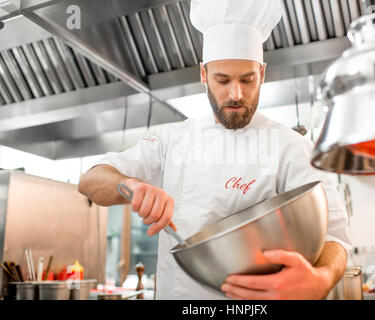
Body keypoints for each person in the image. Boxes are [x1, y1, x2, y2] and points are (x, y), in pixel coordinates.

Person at [78, 0, 352, 300]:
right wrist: (128, 185)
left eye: (247, 79)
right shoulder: (172, 140)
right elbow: (90, 181)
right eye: (222, 80)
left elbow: (334, 236)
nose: (236, 94)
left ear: (262, 73)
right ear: (203, 75)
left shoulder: (292, 146)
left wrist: (321, 279)